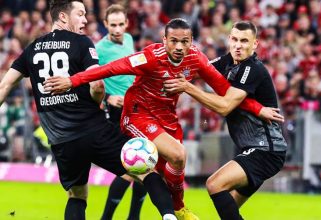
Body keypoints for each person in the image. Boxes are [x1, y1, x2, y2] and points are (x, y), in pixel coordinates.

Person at [43, 18, 284, 220]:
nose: (179, 46)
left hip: (167, 118)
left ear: (191, 42)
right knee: (176, 156)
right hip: (137, 114)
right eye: (174, 41)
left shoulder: (197, 59)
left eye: (184, 41)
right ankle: (174, 210)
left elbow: (224, 90)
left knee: (170, 165)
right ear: (164, 40)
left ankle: (174, 207)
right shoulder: (149, 57)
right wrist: (72, 80)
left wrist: (257, 108)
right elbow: (111, 68)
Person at [0, 1, 177, 220]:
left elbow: (5, 85)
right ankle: (169, 216)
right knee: (146, 170)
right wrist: (98, 102)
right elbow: (97, 85)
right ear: (63, 17)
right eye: (81, 14)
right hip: (93, 129)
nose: (85, 20)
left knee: (77, 195)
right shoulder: (82, 42)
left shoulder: (32, 48)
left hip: (62, 140)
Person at [163, 21, 287, 219]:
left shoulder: (252, 69)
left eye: (245, 41)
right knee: (229, 211)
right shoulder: (228, 62)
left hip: (266, 150)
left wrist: (187, 87)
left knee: (214, 184)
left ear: (255, 44)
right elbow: (200, 69)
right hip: (251, 148)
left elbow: (225, 106)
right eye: (235, 39)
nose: (239, 45)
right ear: (229, 40)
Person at [96, 4, 147, 220]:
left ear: (126, 23)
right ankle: (110, 217)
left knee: (145, 164)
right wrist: (108, 97)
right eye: (112, 25)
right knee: (134, 168)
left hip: (135, 109)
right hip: (116, 114)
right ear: (105, 24)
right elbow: (90, 79)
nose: (117, 29)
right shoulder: (99, 49)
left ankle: (130, 217)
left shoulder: (128, 40)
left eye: (120, 24)